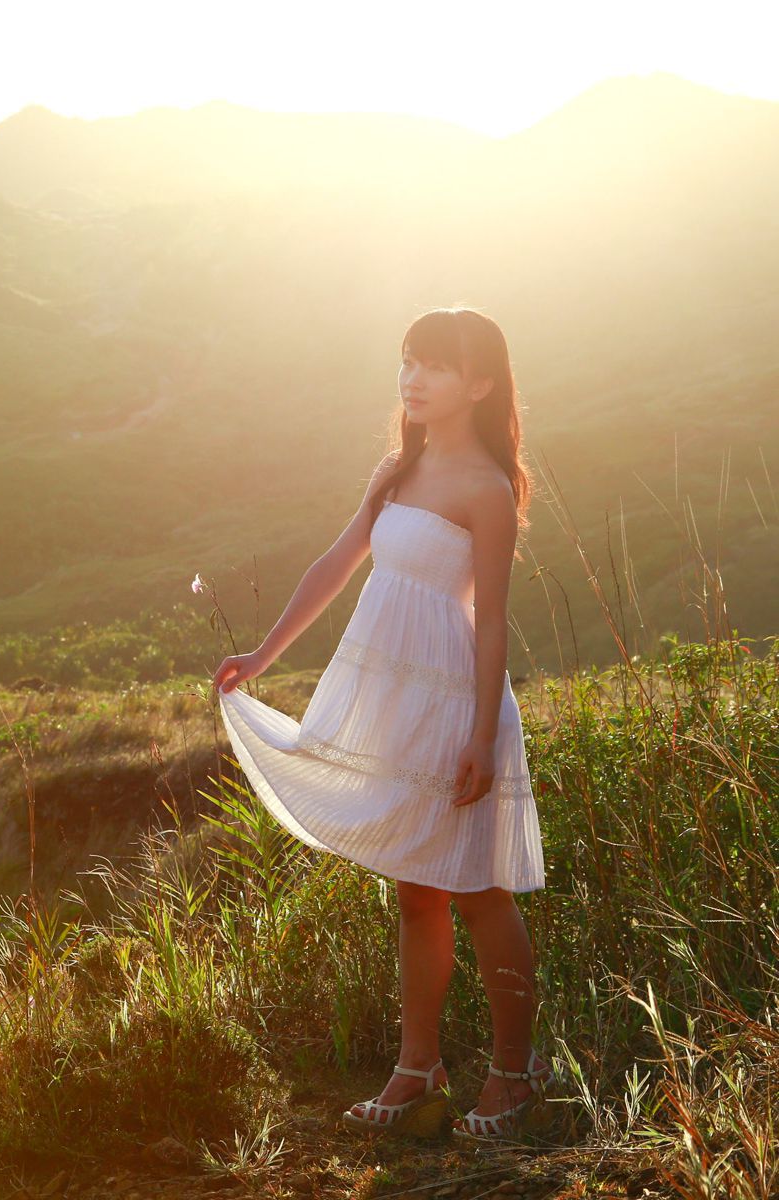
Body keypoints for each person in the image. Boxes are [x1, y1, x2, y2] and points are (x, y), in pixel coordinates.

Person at [210, 307, 560, 1142]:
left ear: (479, 384)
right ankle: (419, 1068)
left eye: (435, 365)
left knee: (477, 890)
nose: (413, 377)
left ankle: (515, 1075)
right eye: (408, 360)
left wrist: (481, 735)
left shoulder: (488, 490)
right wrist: (261, 655)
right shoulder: (396, 470)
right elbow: (335, 565)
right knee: (415, 891)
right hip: (397, 704)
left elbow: (491, 623)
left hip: (454, 706)